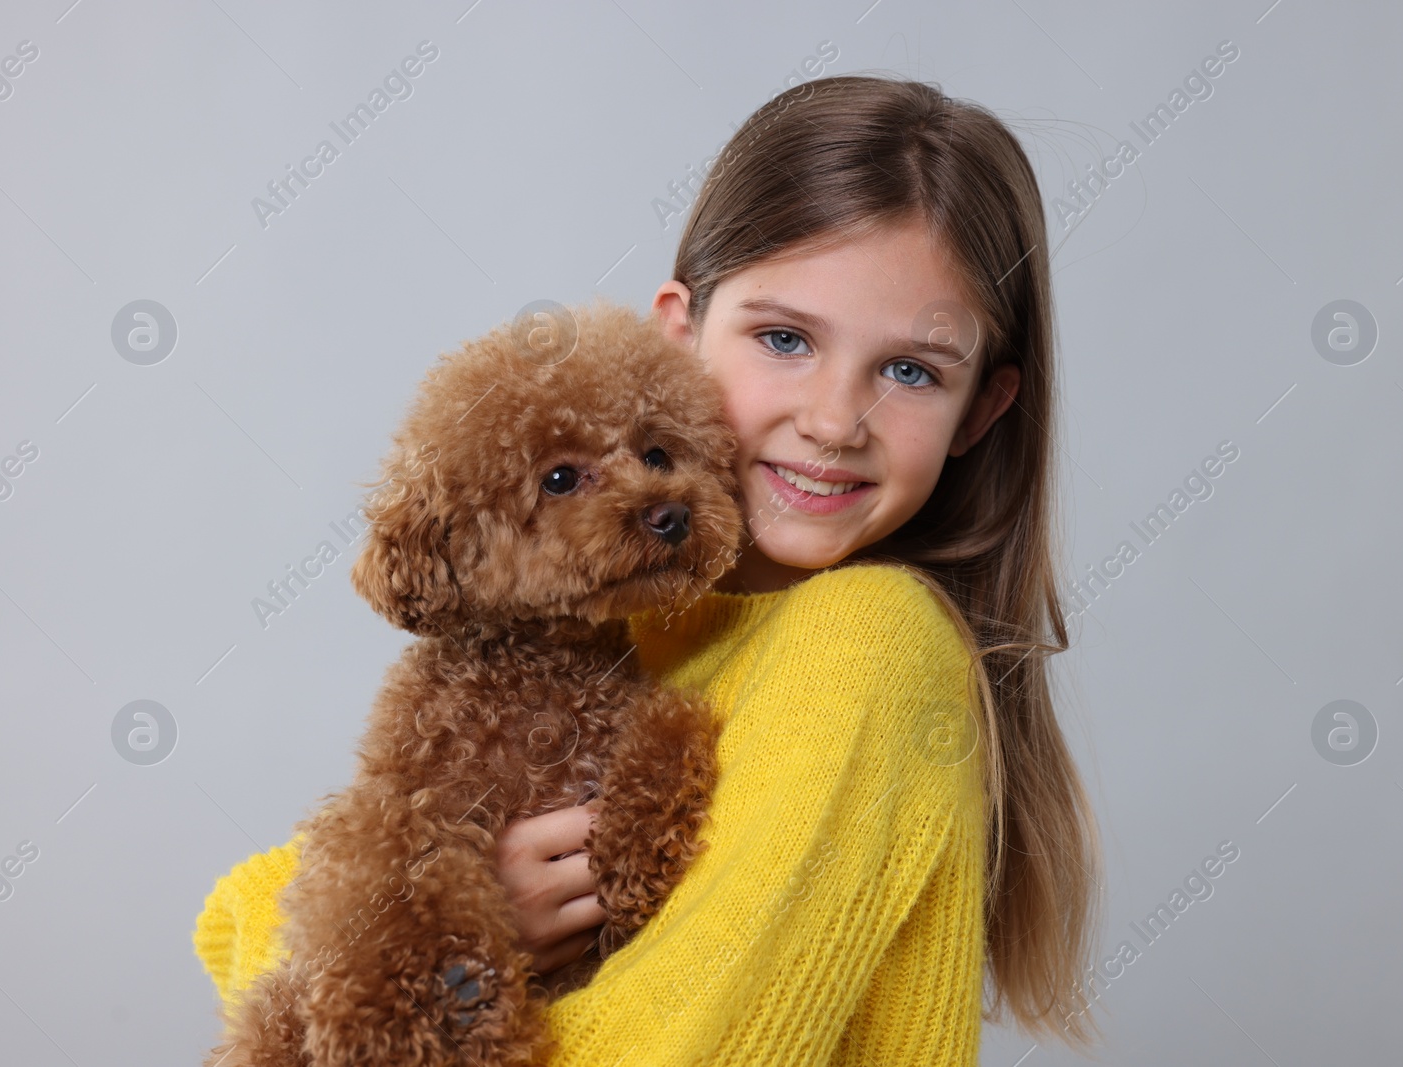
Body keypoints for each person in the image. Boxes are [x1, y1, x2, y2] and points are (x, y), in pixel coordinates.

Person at [193, 72, 1105, 1063]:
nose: (835, 420)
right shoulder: (606, 631)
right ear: (679, 330)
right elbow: (232, 911)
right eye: (785, 338)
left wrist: (439, 961)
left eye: (909, 370)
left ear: (981, 408)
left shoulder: (872, 643)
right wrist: (464, 920)